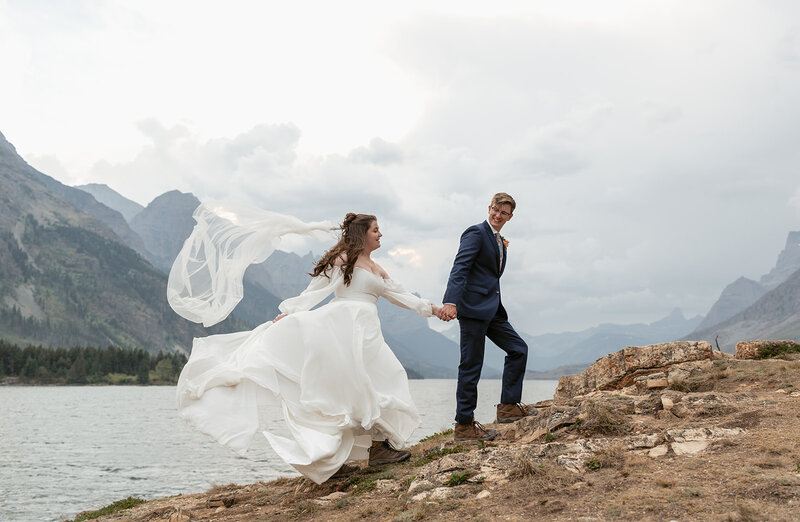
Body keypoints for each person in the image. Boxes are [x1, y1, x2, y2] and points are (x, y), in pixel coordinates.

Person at [168, 203, 442, 484]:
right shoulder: (343, 261)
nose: (380, 234)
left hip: (368, 335)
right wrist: (291, 312)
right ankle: (360, 451)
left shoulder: (376, 267)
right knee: (347, 391)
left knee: (383, 381)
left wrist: (433, 309)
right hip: (341, 333)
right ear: (363, 234)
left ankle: (375, 447)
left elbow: (401, 295)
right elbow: (315, 291)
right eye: (375, 230)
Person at [439, 192, 533, 441]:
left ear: (510, 217)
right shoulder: (476, 233)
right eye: (495, 209)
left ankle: (508, 407)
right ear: (489, 208)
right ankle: (463, 425)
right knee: (471, 365)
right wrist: (451, 301)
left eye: (504, 213)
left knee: (518, 349)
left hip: (492, 309)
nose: (498, 215)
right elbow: (460, 267)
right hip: (471, 309)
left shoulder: (499, 240)